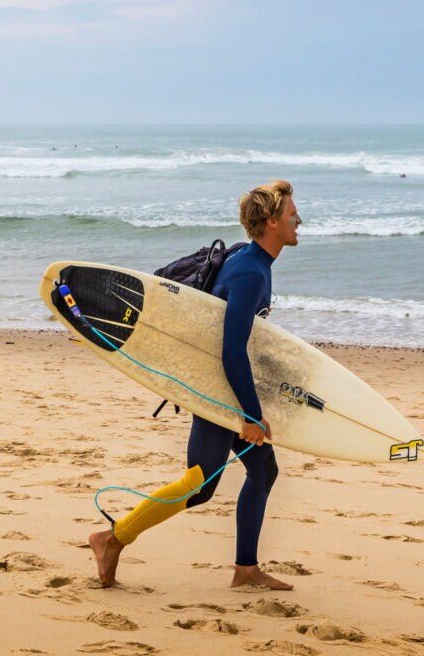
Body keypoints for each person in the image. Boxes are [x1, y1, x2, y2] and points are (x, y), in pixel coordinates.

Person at [89, 179, 303, 591]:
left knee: (261, 470)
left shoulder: (249, 257)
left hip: (217, 384)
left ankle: (246, 569)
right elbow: (231, 350)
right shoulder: (250, 274)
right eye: (293, 213)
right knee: (200, 483)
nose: (300, 220)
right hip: (216, 387)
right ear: (273, 221)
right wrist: (250, 415)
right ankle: (111, 538)